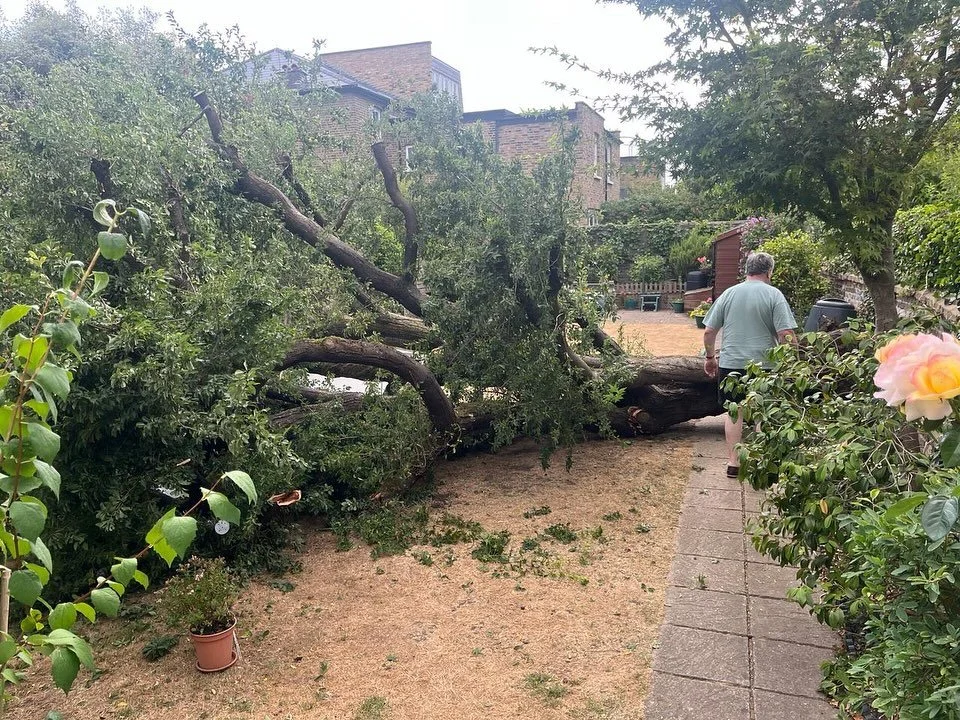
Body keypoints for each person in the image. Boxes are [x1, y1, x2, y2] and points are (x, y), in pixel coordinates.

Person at [702, 251, 797, 477]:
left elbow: (708, 331)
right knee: (763, 413)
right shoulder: (774, 295)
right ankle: (761, 462)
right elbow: (785, 333)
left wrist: (710, 358)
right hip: (765, 366)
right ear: (769, 272)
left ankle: (733, 463)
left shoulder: (728, 294)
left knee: (735, 413)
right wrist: (793, 360)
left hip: (731, 363)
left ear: (747, 270)